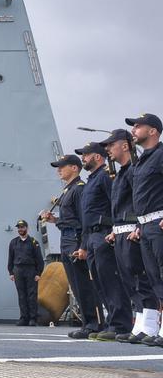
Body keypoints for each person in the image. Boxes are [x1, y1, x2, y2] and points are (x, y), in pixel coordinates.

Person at [103, 128, 161, 343]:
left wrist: (137, 225)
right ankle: (141, 324)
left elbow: (140, 202)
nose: (108, 149)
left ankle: (151, 325)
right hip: (121, 232)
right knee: (131, 282)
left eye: (111, 144)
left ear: (125, 146)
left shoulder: (134, 170)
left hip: (134, 231)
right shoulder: (120, 173)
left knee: (143, 279)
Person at [75, 141, 132, 340]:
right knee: (100, 281)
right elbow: (86, 215)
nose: (83, 158)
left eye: (86, 154)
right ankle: (111, 322)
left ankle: (121, 324)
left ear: (97, 157)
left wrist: (115, 230)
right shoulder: (91, 180)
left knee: (111, 280)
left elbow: (116, 203)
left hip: (104, 233)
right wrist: (83, 245)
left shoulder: (105, 177)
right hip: (91, 236)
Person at [41, 154, 100, 339]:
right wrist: (55, 220)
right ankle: (87, 323)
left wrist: (83, 246)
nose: (59, 170)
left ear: (74, 168)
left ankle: (94, 324)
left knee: (83, 284)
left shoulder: (79, 189)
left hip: (75, 240)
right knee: (75, 285)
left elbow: (84, 221)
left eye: (62, 166)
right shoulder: (68, 190)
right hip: (66, 239)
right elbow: (70, 219)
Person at [127, 113, 163, 345]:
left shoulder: (161, 155)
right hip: (146, 225)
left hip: (160, 222)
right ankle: (154, 328)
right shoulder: (142, 161)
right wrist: (139, 224)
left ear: (153, 131)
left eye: (138, 126)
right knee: (153, 277)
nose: (134, 130)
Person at [6, 219, 44, 326]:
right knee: (21, 295)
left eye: (22, 227)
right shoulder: (13, 242)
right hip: (18, 270)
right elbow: (10, 258)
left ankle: (33, 318)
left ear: (27, 228)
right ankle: (24, 318)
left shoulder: (33, 242)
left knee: (32, 295)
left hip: (30, 270)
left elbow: (39, 259)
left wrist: (38, 273)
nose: (20, 229)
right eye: (19, 227)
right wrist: (11, 272)